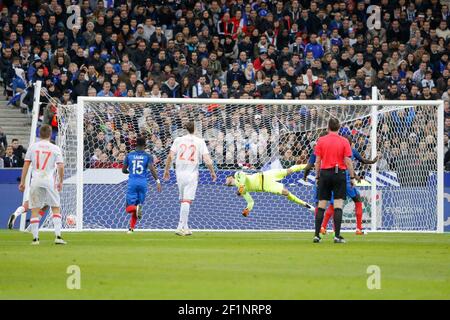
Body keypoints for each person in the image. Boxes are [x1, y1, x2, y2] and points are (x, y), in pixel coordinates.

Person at [163, 121, 217, 236]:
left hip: (179, 174)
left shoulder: (178, 140)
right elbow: (207, 160)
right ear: (195, 130)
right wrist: (212, 171)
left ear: (185, 129)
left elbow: (170, 156)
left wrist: (166, 170)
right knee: (187, 200)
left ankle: (186, 227)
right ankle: (180, 226)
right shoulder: (200, 141)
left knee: (184, 200)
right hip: (191, 174)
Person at [320, 136, 379, 235]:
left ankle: (323, 227)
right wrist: (372, 162)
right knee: (358, 200)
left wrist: (355, 176)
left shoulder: (336, 151)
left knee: (333, 203)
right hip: (346, 181)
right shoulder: (352, 151)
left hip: (336, 179)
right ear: (351, 144)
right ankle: (359, 229)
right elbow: (361, 161)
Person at [19, 125, 66, 245]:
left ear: (39, 134)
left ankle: (35, 239)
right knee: (55, 207)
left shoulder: (32, 147)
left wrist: (22, 182)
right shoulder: (54, 148)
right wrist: (60, 181)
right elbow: (60, 166)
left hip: (35, 180)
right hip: (49, 180)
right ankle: (58, 237)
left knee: (35, 209)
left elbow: (26, 165)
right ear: (50, 134)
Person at [314, 118, 356, 244]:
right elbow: (348, 161)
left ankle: (316, 236)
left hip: (325, 174)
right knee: (338, 205)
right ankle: (337, 236)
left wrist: (317, 176)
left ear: (328, 127)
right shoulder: (344, 141)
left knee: (321, 205)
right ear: (339, 127)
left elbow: (317, 161)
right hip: (339, 174)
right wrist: (352, 177)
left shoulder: (321, 140)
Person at [225, 165, 315, 217]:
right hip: (266, 186)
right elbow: (251, 202)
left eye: (226, 180)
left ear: (230, 177)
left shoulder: (237, 175)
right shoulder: (241, 190)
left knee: (289, 171)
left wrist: (241, 187)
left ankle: (310, 164)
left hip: (266, 175)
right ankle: (307, 205)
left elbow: (243, 176)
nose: (226, 182)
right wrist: (247, 209)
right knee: (286, 193)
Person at [122, 136, 162, 233]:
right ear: (145, 145)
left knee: (129, 208)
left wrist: (130, 172)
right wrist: (157, 181)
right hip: (143, 183)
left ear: (136, 144)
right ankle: (131, 228)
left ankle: (135, 209)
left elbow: (123, 170)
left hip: (132, 183)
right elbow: (152, 169)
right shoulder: (148, 156)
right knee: (138, 207)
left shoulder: (129, 155)